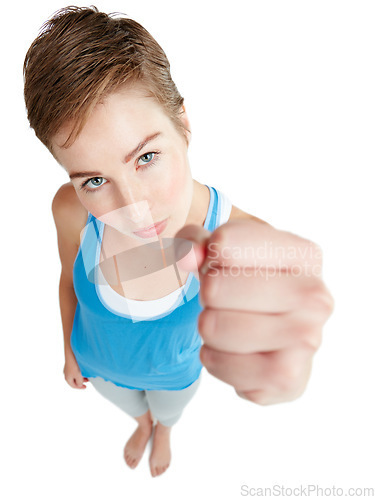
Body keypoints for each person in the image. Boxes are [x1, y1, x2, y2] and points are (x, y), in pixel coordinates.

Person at [23, 5, 334, 478]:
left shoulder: (231, 242)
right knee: (131, 405)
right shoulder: (69, 210)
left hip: (173, 378)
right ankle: (142, 421)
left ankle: (162, 426)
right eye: (93, 181)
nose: (133, 207)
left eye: (146, 157)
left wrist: (288, 369)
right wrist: (69, 349)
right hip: (99, 367)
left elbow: (286, 304)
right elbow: (68, 277)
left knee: (169, 410)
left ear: (183, 124)